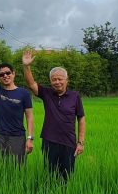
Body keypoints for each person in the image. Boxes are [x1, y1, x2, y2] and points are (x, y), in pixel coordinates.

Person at [21, 50, 86, 180]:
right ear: (51, 81)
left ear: (67, 80)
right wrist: (26, 66)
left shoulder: (74, 96)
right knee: (50, 175)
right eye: (54, 79)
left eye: (60, 79)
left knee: (67, 176)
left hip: (69, 142)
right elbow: (31, 84)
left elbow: (81, 119)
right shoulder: (47, 93)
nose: (57, 82)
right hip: (49, 141)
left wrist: (80, 142)